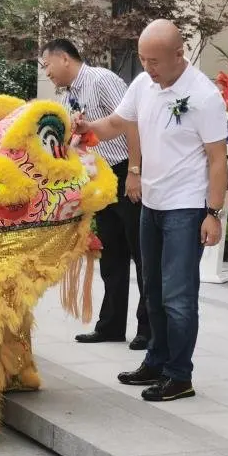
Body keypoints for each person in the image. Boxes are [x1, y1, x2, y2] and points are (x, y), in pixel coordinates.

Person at [72, 19, 228, 401]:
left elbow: (217, 160)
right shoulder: (143, 85)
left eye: (154, 60)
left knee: (178, 295)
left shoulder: (204, 96)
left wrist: (213, 212)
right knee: (152, 290)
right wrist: (84, 129)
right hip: (151, 204)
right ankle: (155, 362)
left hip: (186, 208)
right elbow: (115, 123)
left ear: (180, 55)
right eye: (143, 59)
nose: (147, 68)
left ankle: (179, 375)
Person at [41, 38, 150, 350]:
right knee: (112, 253)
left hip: (123, 171)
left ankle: (148, 329)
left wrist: (134, 170)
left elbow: (131, 124)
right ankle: (111, 325)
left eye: (47, 65)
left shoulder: (102, 80)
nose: (47, 72)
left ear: (64, 58)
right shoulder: (67, 96)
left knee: (140, 254)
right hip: (98, 179)